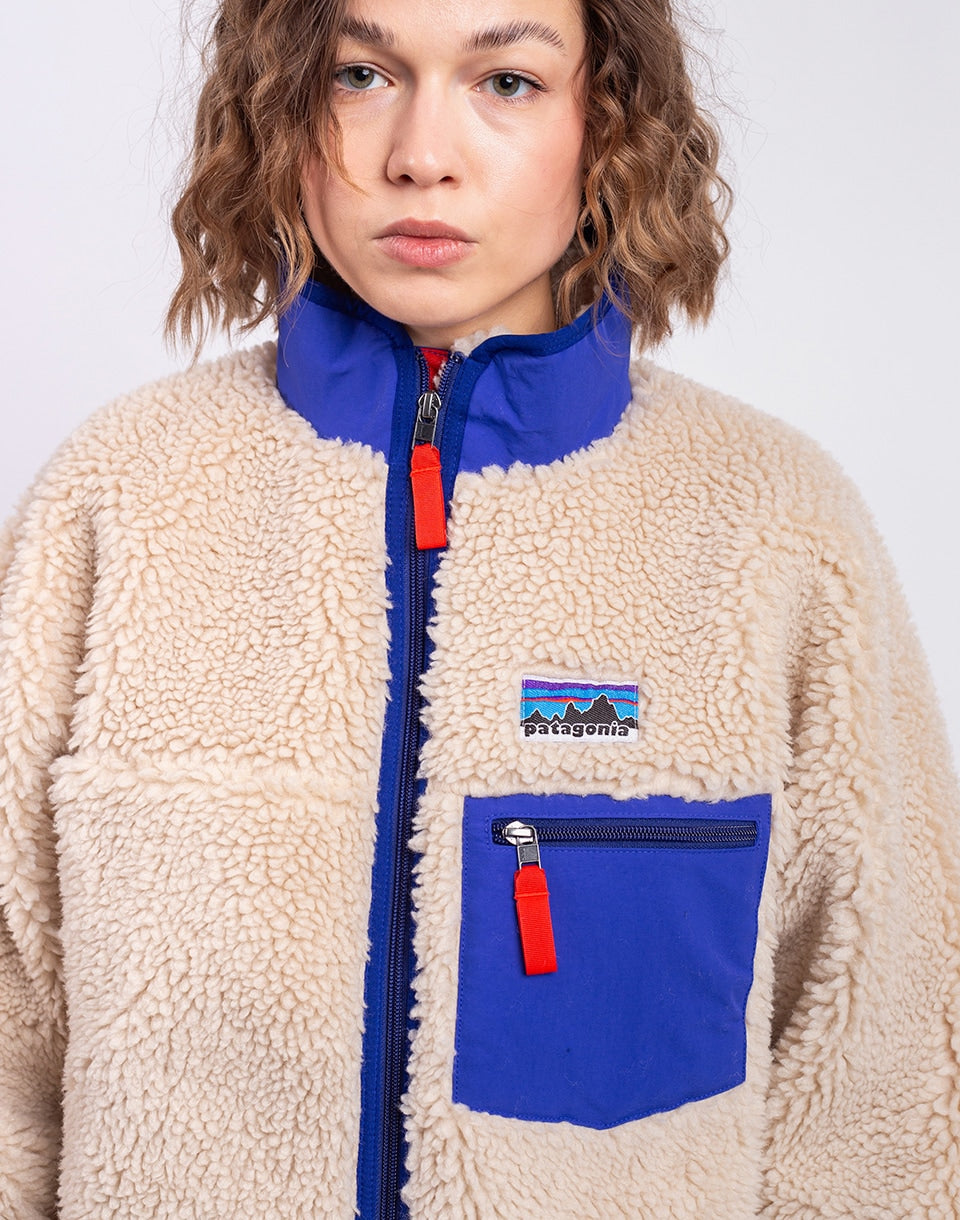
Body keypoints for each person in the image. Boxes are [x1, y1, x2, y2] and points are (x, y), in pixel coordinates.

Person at [0, 0, 957, 1216]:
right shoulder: (119, 497)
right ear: (280, 105)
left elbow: (881, 1073)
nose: (420, 154)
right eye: (360, 74)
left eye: (506, 81)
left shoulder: (772, 526)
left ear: (607, 116)